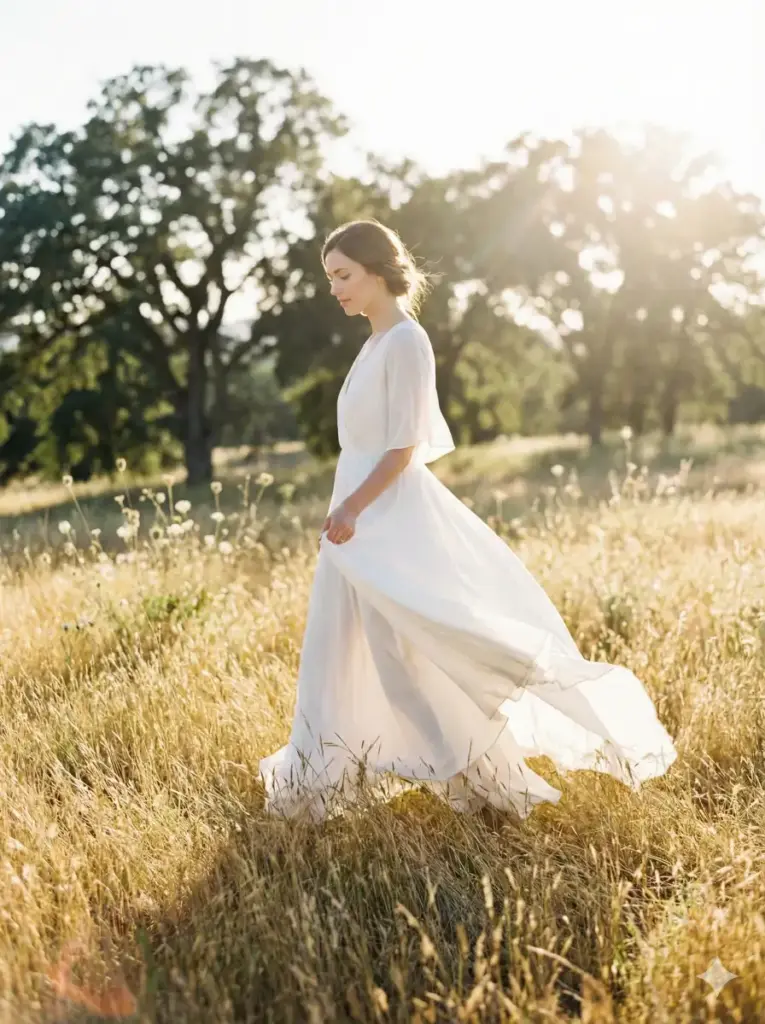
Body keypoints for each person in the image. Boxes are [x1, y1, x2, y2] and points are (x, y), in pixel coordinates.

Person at [258, 219, 677, 822]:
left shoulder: (405, 340)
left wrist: (350, 508)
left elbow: (403, 449)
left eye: (343, 275)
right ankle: (332, 778)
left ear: (378, 270)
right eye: (331, 278)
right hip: (355, 521)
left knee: (410, 655)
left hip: (382, 521)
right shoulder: (375, 341)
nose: (335, 289)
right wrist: (343, 509)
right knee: (339, 651)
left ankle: (480, 786)